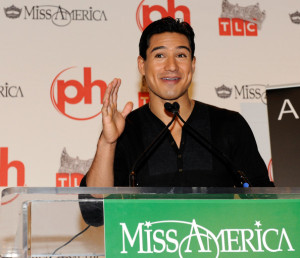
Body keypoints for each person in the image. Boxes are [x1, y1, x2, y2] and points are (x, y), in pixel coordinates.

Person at [81, 17, 274, 189]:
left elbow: (264, 201)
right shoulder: (126, 130)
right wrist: (108, 142)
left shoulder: (228, 124)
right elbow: (95, 212)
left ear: (193, 64)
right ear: (142, 65)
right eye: (160, 55)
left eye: (181, 55)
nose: (172, 66)